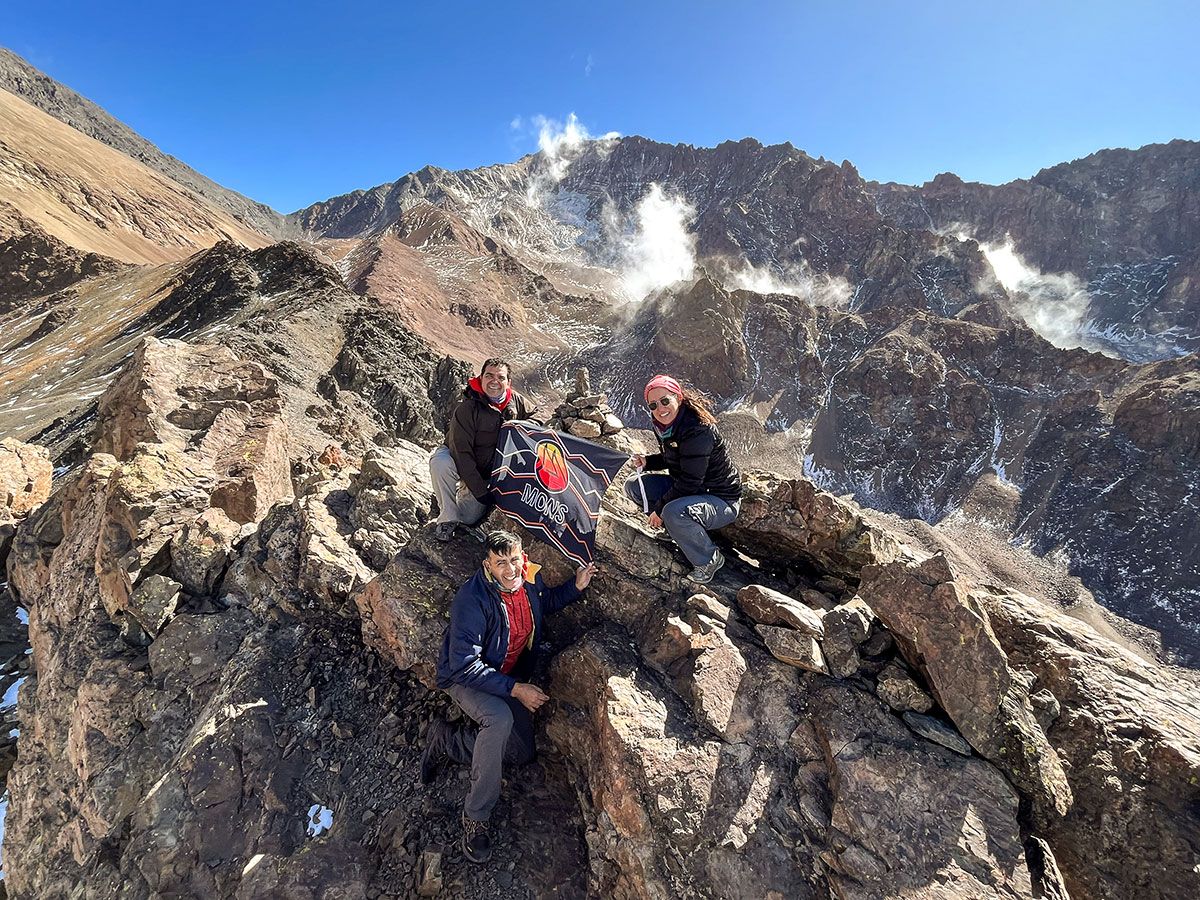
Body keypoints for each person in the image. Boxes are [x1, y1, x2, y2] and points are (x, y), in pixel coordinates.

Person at [421, 530, 596, 864]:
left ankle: (448, 740)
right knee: (498, 719)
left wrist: (575, 586)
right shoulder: (472, 599)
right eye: (501, 563)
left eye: (515, 559)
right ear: (488, 563)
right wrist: (517, 689)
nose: (511, 568)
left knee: (520, 752)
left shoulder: (530, 578)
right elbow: (464, 664)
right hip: (466, 678)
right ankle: (476, 817)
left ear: (523, 556)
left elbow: (544, 604)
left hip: (506, 677)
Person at [624, 374, 742, 584]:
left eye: (665, 400)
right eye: (653, 405)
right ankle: (677, 531)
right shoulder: (666, 425)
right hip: (693, 491)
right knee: (635, 486)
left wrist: (659, 509)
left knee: (672, 511)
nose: (660, 408)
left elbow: (690, 481)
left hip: (720, 499)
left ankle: (709, 559)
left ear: (678, 397)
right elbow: (676, 458)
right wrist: (647, 462)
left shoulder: (698, 429)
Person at [430, 357, 535, 542]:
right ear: (481, 378)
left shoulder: (516, 401)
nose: (495, 381)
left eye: (500, 377)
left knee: (469, 518)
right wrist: (481, 492)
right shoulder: (467, 408)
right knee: (440, 464)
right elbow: (461, 453)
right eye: (489, 376)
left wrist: (521, 426)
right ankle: (447, 518)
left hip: (488, 470)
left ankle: (461, 503)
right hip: (459, 459)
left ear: (508, 383)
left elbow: (535, 418)